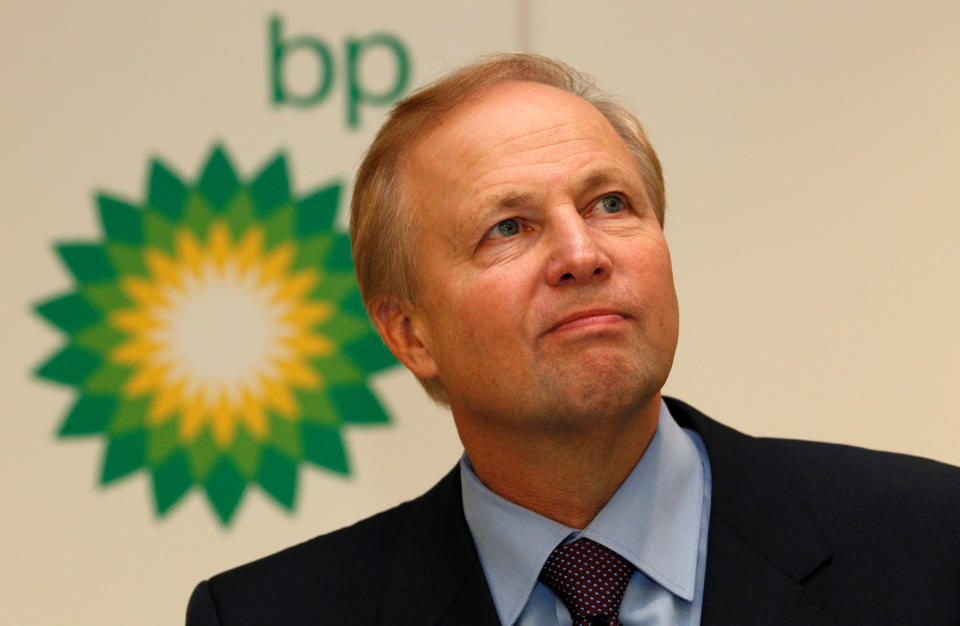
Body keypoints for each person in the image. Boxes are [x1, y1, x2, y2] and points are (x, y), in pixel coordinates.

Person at [186, 53, 960, 625]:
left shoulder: (930, 543)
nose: (583, 254)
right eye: (508, 227)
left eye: (611, 203)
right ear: (410, 333)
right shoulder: (268, 615)